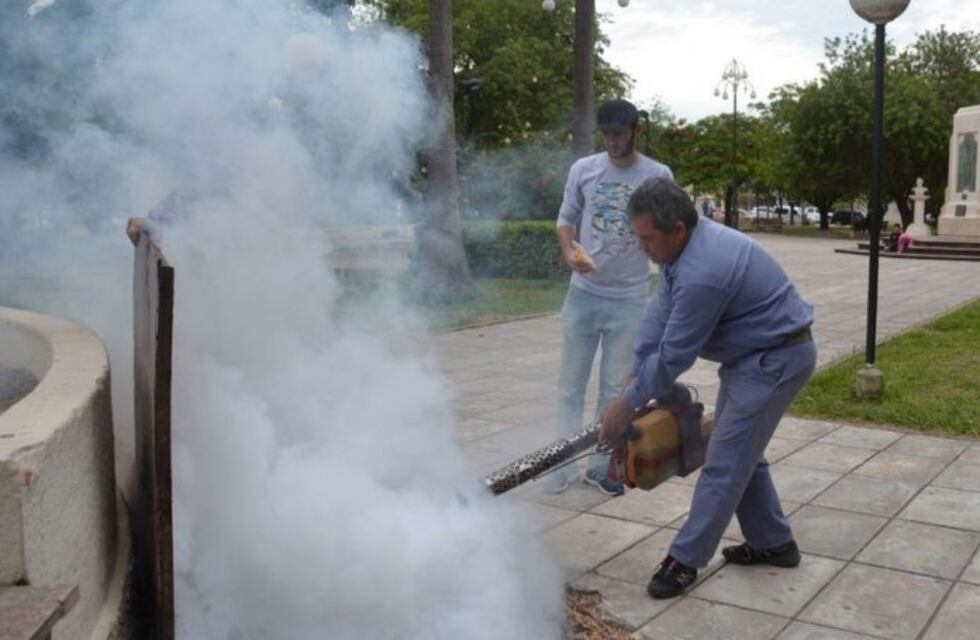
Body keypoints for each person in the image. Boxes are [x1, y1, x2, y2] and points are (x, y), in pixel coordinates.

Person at [599, 177, 816, 599]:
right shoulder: (679, 253)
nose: (641, 247)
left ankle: (684, 560)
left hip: (774, 360)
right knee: (740, 452)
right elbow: (657, 316)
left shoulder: (704, 271)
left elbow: (677, 354)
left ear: (677, 229)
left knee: (724, 461)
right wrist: (635, 371)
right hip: (751, 357)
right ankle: (775, 542)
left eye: (647, 239)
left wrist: (627, 404)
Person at [550, 99, 673, 496]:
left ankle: (602, 466)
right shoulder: (584, 170)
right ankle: (561, 463)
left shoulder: (657, 175)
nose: (613, 141)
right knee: (570, 386)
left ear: (635, 130)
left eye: (619, 134)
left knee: (613, 390)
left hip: (631, 299)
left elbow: (670, 232)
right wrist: (570, 251)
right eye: (607, 134)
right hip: (583, 295)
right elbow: (565, 220)